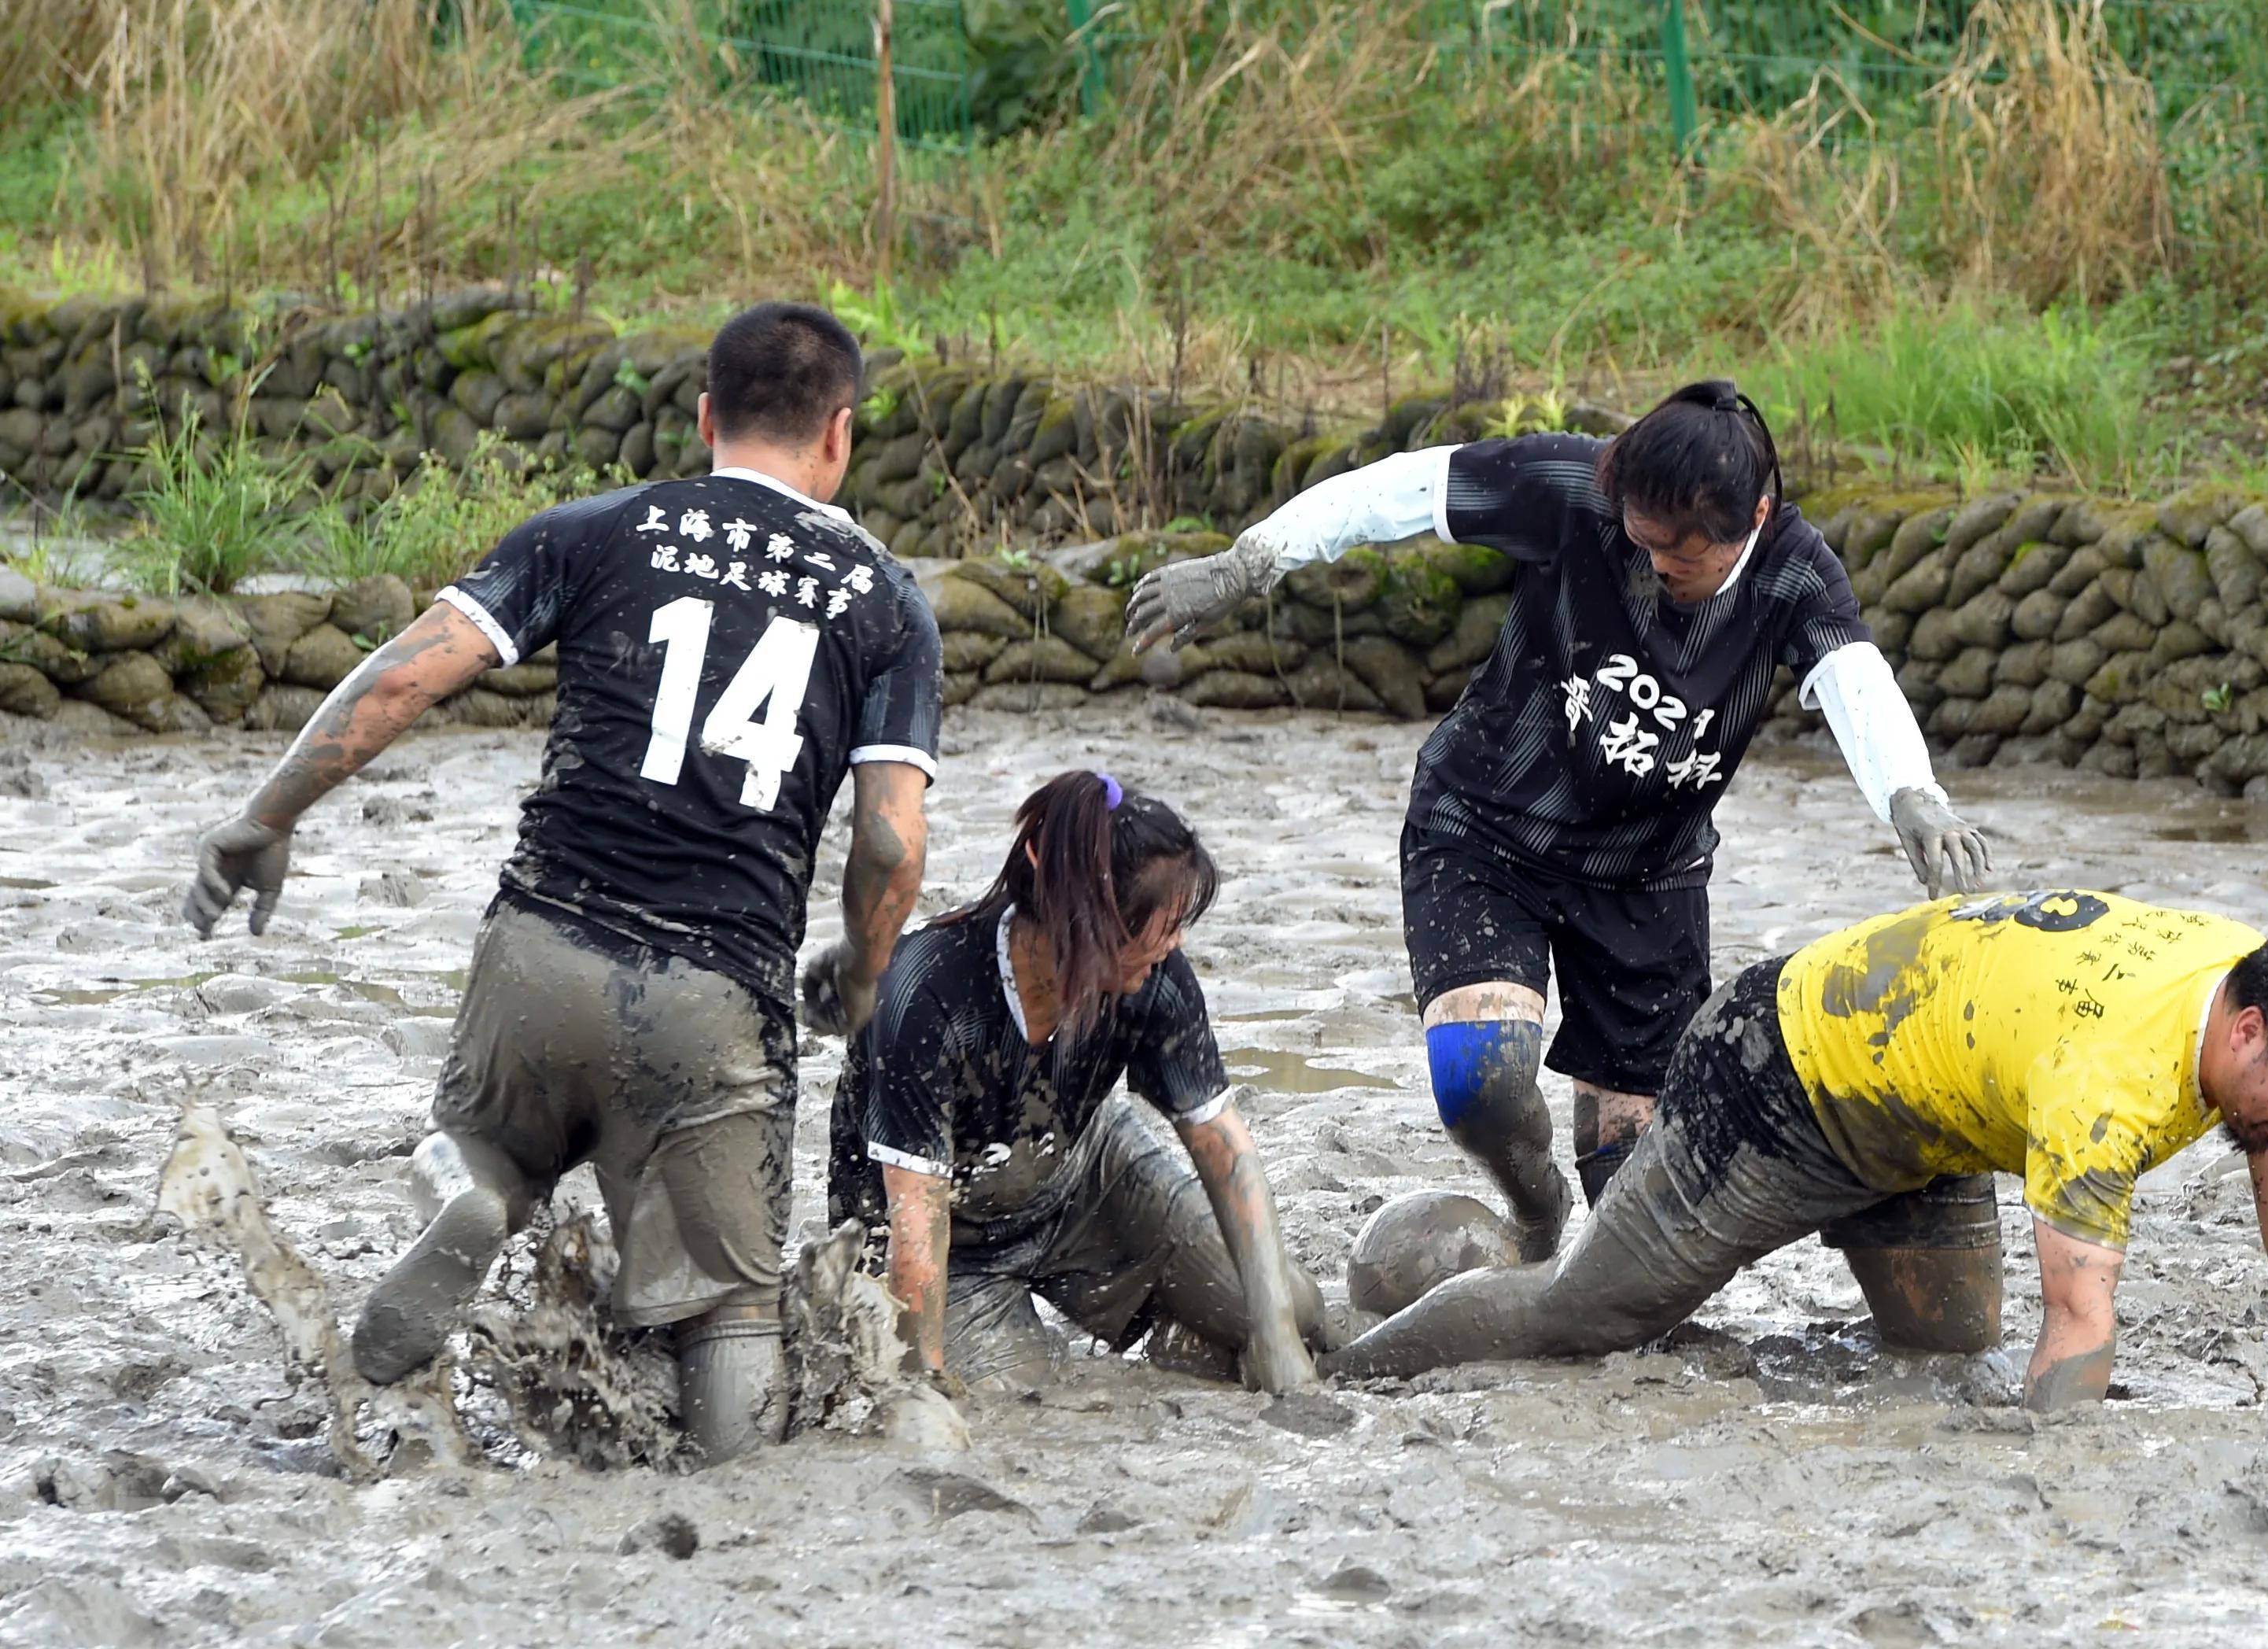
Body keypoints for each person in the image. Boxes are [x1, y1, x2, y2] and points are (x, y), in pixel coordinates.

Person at [181, 301, 942, 1463]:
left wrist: (261, 818)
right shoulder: (885, 603)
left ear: (704, 419)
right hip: (718, 999)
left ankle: (471, 1193)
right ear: (839, 436)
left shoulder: (596, 531)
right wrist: (863, 965)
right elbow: (891, 844)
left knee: (477, 1141)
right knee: (732, 1334)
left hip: (540, 951)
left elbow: (397, 683)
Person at [1127, 382, 1993, 1270]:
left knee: (1638, 1199)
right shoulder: (1575, 488)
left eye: (1680, 555)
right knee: (1485, 1088)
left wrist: (1912, 797)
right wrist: (1247, 560)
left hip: (1646, 877)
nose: (1652, 565)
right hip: (1486, 826)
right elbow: (1403, 490)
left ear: (1755, 517)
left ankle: (1588, 1256)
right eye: (1640, 539)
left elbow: (1852, 676)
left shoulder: (1793, 571)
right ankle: (1535, 1212)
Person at [1327, 894, 2268, 1411]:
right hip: (1781, 1074)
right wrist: (2058, 1486)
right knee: (1587, 1315)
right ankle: (1334, 1362)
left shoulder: (2262, 976)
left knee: (1946, 1354)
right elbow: (2080, 1331)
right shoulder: (2110, 1091)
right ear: (2246, 1033)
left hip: (1932, 1119)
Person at [828, 769, 1333, 1395]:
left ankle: (1186, 1337)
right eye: (1162, 928)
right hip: (944, 1239)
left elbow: (1221, 1147)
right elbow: (915, 1226)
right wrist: (921, 1389)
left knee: (1292, 1305)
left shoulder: (1156, 976)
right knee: (1015, 1407)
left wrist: (1277, 1335)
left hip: (1076, 1173)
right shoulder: (925, 993)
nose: (1174, 946)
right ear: (1087, 923)